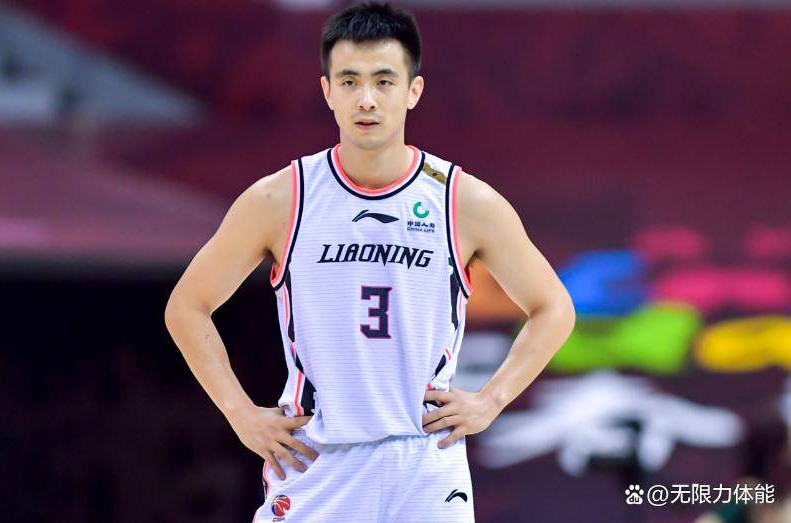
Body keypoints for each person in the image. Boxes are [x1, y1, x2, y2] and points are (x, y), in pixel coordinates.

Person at [164, 2, 576, 522]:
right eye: (350, 81)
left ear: (413, 91)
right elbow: (187, 307)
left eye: (384, 81)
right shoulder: (280, 199)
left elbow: (554, 308)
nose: (366, 99)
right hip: (318, 458)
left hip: (425, 461)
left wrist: (491, 401)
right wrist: (240, 414)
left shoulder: (463, 200)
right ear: (327, 91)